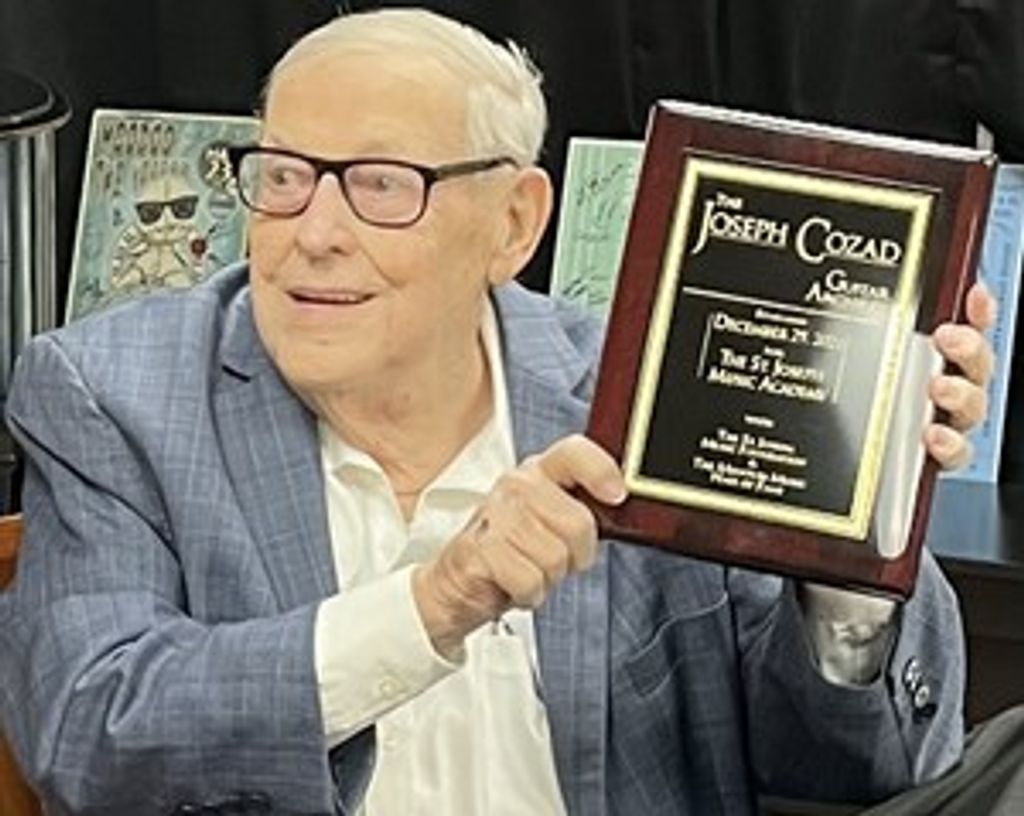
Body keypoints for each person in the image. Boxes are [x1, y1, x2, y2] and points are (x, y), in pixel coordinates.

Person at [0, 8, 997, 816]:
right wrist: (434, 606)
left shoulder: (643, 392)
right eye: (285, 178)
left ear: (514, 223)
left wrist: (859, 525)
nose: (315, 233)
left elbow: (859, 769)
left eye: (380, 186)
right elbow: (90, 734)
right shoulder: (113, 393)